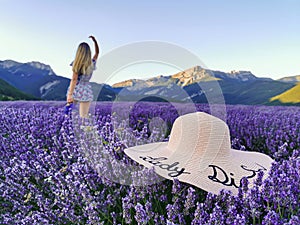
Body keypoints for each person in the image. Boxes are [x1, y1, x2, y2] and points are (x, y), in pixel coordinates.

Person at [66, 35, 99, 125]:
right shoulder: (91, 63)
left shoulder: (76, 63)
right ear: (88, 53)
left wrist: (70, 94)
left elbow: (74, 79)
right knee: (84, 117)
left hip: (76, 90)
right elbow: (97, 53)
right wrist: (95, 41)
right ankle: (84, 136)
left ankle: (69, 134)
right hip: (86, 90)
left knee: (69, 115)